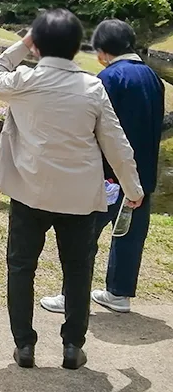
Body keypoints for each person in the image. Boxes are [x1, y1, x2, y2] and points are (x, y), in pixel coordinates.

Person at [0, 9, 144, 371]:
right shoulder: (92, 86)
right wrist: (132, 187)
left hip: (29, 191)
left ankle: (24, 345)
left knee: (21, 268)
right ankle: (72, 347)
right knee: (78, 269)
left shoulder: (23, 81)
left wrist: (23, 43)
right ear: (75, 47)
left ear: (37, 46)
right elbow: (116, 144)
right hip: (80, 197)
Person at [40, 19, 164, 316]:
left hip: (107, 175)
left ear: (103, 50)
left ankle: (72, 296)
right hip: (142, 174)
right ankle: (118, 294)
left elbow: (94, 127)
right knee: (129, 235)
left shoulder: (110, 78)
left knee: (82, 237)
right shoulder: (153, 78)